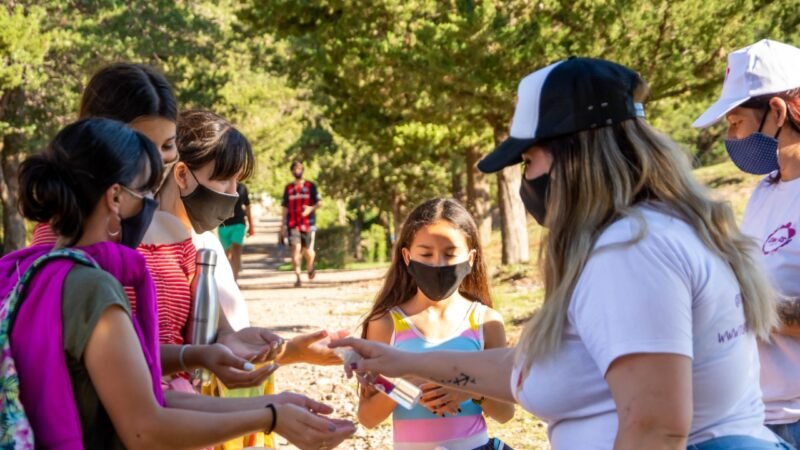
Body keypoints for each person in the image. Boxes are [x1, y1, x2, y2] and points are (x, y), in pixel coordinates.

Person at [331, 57, 789, 450]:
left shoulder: (630, 251)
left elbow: (654, 429)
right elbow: (534, 367)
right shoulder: (651, 231)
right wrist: (401, 360)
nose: (524, 178)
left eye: (528, 160)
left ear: (577, 155)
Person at [3, 118, 354, 449]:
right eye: (145, 191)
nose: (152, 204)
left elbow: (144, 393)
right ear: (115, 198)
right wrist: (270, 417)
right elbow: (146, 427)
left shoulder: (35, 271)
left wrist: (271, 407)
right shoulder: (93, 287)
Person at [693, 39, 800, 447]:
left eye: (735, 121)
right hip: (755, 412)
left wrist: (732, 296)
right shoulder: (766, 191)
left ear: (777, 110)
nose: (730, 136)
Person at [358, 198, 514, 450]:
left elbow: (506, 412)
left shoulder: (487, 321)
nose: (438, 264)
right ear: (407, 257)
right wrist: (407, 386)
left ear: (471, 258)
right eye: (426, 253)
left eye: (450, 253)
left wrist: (467, 389)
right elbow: (367, 417)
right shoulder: (386, 323)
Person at [30, 63, 178, 246]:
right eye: (142, 147)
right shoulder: (67, 236)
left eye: (168, 145)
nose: (157, 161)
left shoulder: (173, 235)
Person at [281, 160, 320, 287]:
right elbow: (285, 207)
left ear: (303, 170)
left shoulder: (311, 186)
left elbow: (319, 203)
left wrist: (310, 209)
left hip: (308, 223)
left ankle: (310, 266)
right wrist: (282, 225)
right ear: (292, 171)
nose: (297, 171)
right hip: (293, 223)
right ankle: (298, 277)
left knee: (308, 251)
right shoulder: (288, 188)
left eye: (299, 168)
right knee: (295, 249)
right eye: (295, 169)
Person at [219, 182, 255, 281]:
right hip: (223, 224)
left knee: (236, 250)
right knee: (225, 254)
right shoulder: (220, 184)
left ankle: (235, 279)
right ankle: (227, 279)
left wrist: (251, 226)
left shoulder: (242, 188)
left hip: (239, 223)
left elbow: (248, 207)